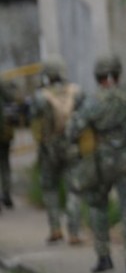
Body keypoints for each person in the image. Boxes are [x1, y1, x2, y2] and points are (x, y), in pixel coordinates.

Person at [67, 54, 126, 273]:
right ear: (118, 74)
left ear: (97, 76)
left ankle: (104, 256)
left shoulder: (92, 101)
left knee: (98, 206)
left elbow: (74, 130)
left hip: (101, 162)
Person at [29, 56, 84, 242]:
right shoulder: (76, 92)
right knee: (74, 190)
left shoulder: (40, 97)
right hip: (72, 147)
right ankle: (74, 232)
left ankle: (55, 229)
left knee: (50, 188)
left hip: (48, 150)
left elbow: (32, 119)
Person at [0, 77, 17, 209]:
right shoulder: (3, 82)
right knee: (5, 163)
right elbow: (12, 98)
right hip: (4, 130)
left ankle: (5, 194)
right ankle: (6, 194)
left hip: (4, 131)